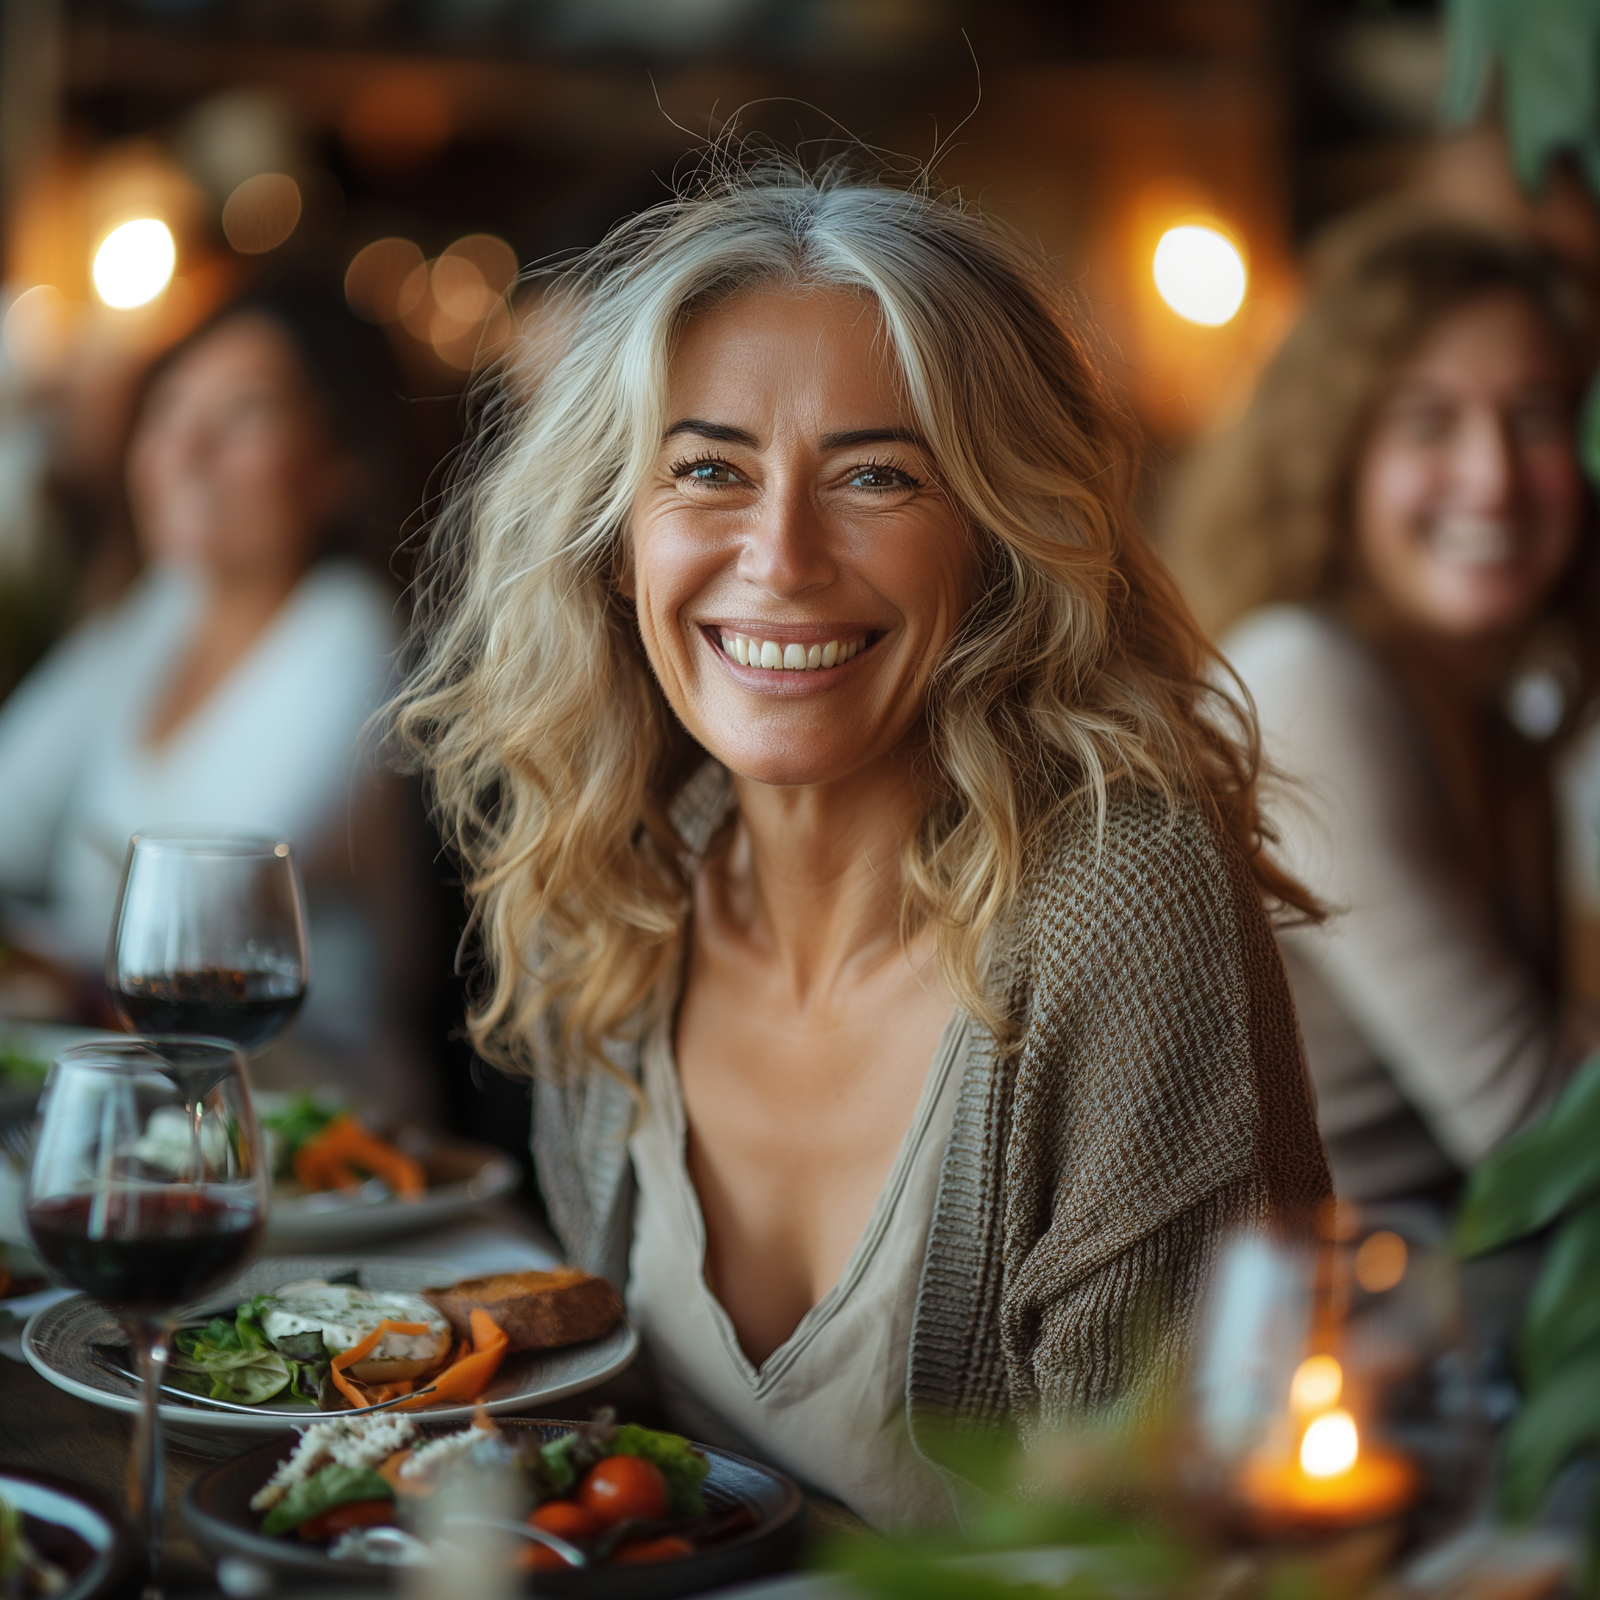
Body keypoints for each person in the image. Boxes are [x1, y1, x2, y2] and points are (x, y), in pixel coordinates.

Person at [393, 166, 1330, 1526]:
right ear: (615, 543)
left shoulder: (1115, 905)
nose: (779, 553)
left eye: (879, 475)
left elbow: (1167, 1541)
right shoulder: (610, 879)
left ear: (1002, 543)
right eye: (708, 468)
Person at [1164, 216, 1597, 1205]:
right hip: (1308, 1333)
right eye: (1428, 422)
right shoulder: (1303, 678)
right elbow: (1535, 1135)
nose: (1491, 477)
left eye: (1534, 418)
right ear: (1337, 460)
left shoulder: (1497, 713)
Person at [0, 286, 428, 1115]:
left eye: (243, 415)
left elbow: (203, 923)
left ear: (341, 465)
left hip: (311, 1127)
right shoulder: (164, 609)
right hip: (135, 1105)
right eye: (168, 409)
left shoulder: (354, 637)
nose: (184, 450)